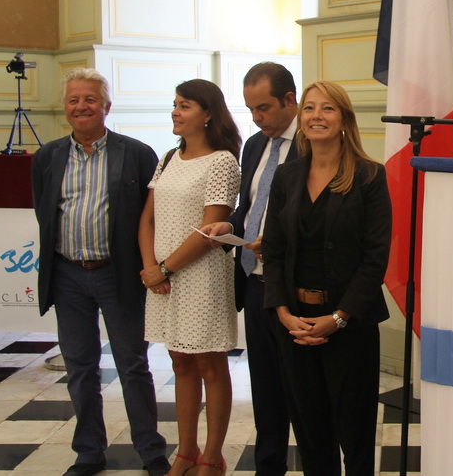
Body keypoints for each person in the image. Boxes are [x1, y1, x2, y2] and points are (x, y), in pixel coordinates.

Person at [32, 68, 171, 476]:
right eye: (74, 100)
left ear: (106, 107)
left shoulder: (136, 153)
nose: (81, 106)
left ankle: (150, 451)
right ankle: (89, 453)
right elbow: (45, 212)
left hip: (118, 275)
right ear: (65, 108)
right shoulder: (48, 156)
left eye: (90, 99)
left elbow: (152, 217)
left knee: (132, 365)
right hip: (67, 275)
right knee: (80, 368)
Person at [261, 80, 392, 475]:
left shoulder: (369, 176)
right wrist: (282, 311)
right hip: (295, 322)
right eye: (310, 108)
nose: (317, 115)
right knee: (310, 431)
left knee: (354, 433)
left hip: (349, 324)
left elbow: (375, 260)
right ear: (300, 119)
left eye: (328, 108)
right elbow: (275, 251)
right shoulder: (287, 176)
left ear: (344, 120)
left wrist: (338, 319)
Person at [138, 79, 241, 476]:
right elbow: (147, 218)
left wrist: (163, 269)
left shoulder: (222, 161)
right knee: (179, 361)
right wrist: (152, 269)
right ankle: (186, 451)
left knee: (210, 366)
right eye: (175, 104)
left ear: (208, 114)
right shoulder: (168, 157)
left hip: (201, 276)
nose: (175, 112)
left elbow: (209, 229)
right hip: (162, 277)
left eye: (185, 106)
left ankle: (212, 458)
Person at [199, 62, 298, 475]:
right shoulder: (256, 145)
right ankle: (268, 467)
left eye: (264, 108)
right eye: (251, 109)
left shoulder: (315, 144)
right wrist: (230, 225)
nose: (257, 119)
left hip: (296, 285)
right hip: (255, 281)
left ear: (290, 101)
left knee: (303, 393)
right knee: (267, 390)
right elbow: (250, 206)